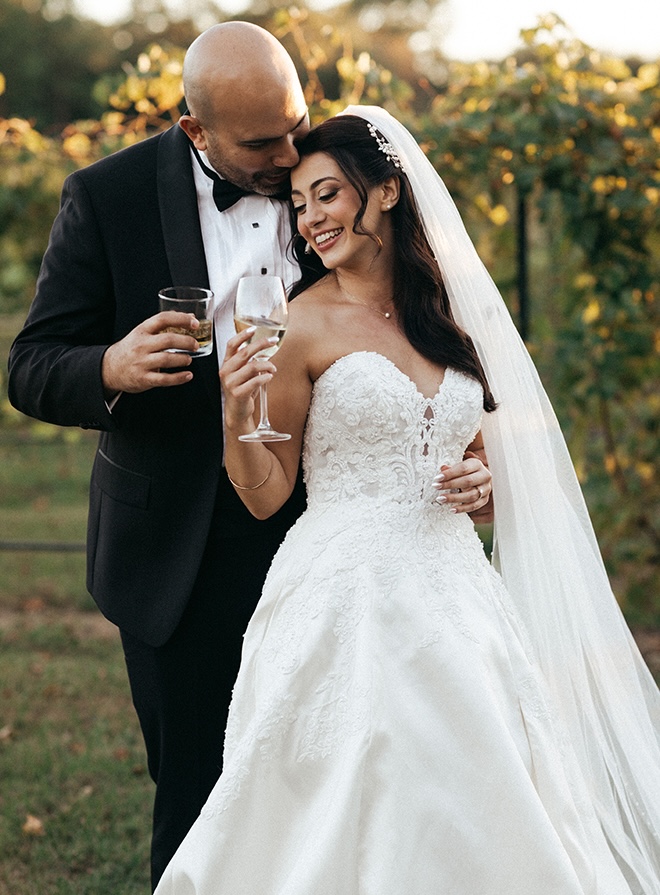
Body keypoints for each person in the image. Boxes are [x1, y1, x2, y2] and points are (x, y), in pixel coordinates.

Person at [153, 108, 660, 894]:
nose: (311, 218)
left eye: (327, 194)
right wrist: (234, 417)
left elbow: (485, 467)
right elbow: (265, 496)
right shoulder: (298, 323)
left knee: (478, 777)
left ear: (386, 190)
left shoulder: (450, 316)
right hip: (343, 596)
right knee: (366, 770)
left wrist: (484, 486)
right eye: (299, 203)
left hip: (457, 590)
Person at [7, 22, 310, 889]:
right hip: (180, 546)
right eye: (262, 142)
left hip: (318, 530)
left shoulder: (332, 175)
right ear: (196, 132)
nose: (290, 155)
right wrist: (109, 365)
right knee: (198, 787)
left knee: (317, 772)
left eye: (296, 124)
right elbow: (30, 366)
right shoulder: (107, 196)